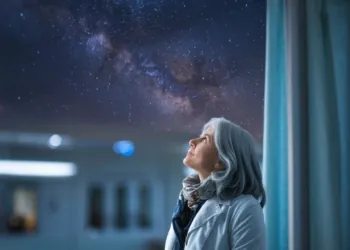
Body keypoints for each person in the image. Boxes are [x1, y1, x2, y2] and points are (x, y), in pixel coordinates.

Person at [165, 117, 266, 250]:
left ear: (223, 161)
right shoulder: (187, 200)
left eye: (205, 139)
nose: (192, 141)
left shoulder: (246, 208)